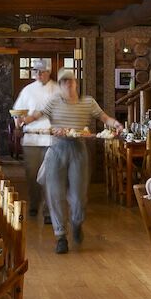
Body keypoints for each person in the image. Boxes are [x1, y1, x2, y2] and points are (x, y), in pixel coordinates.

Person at [25, 67, 120, 254]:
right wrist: (23, 120)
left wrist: (115, 124)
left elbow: (103, 117)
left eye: (70, 81)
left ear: (76, 83)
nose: (67, 84)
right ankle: (60, 236)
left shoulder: (87, 102)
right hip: (56, 149)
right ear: (59, 85)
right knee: (55, 194)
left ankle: (77, 223)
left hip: (78, 150)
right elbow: (37, 115)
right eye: (63, 82)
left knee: (78, 196)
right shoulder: (53, 101)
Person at [11, 59, 60, 225]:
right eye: (36, 71)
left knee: (49, 175)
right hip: (31, 139)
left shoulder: (57, 90)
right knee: (32, 175)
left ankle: (48, 210)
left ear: (49, 72)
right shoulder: (28, 90)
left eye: (42, 71)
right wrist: (18, 121)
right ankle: (34, 203)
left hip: (51, 139)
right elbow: (18, 112)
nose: (39, 74)